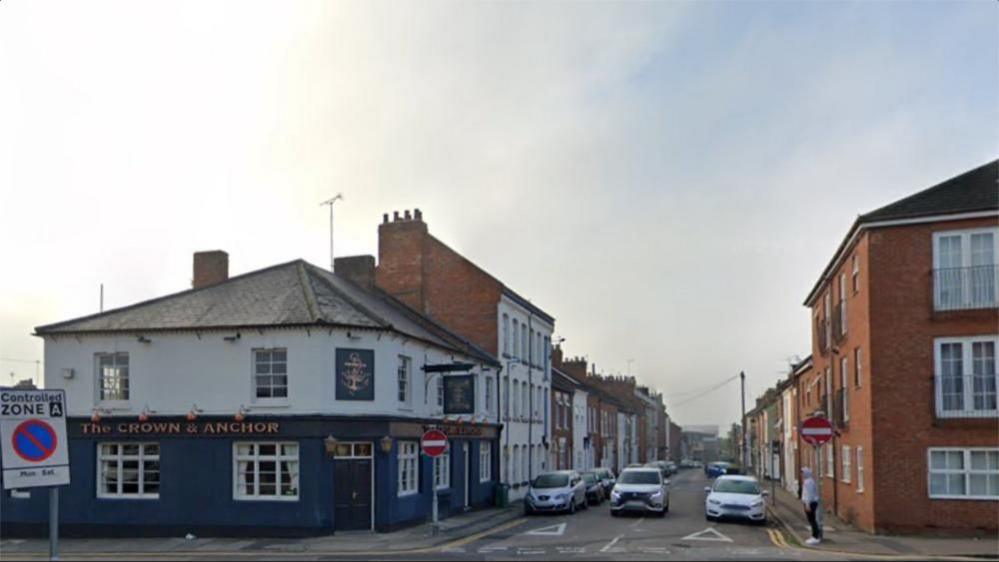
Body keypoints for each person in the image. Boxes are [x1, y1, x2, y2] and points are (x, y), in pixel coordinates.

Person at [801, 467, 822, 545]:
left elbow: (809, 494)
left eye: (803, 472)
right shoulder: (808, 481)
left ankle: (815, 537)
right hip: (810, 503)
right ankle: (814, 536)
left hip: (810, 503)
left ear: (807, 473)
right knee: (811, 520)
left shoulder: (808, 482)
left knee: (812, 520)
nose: (802, 474)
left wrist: (807, 505)